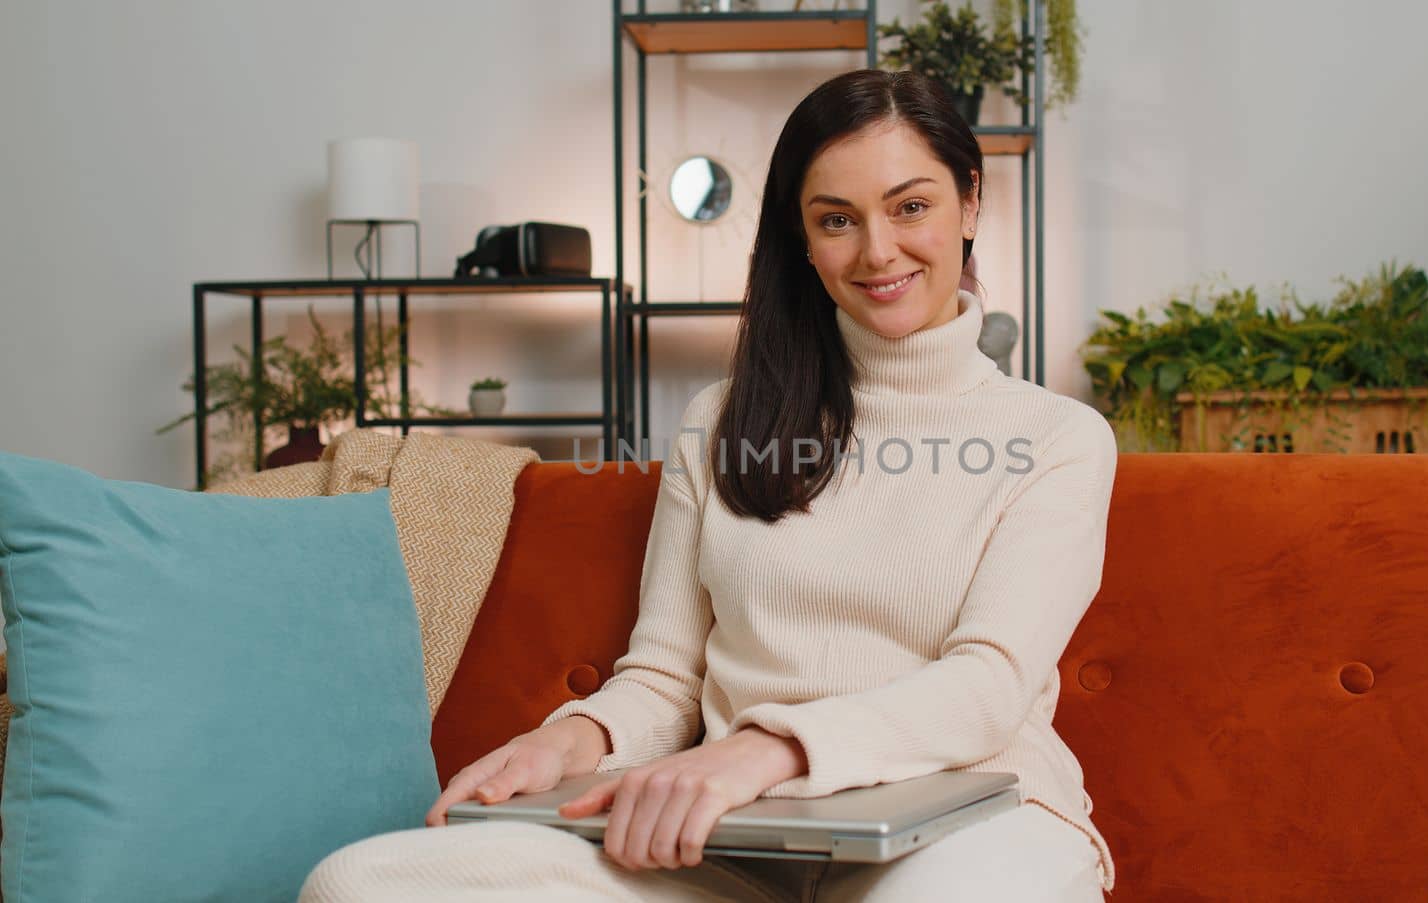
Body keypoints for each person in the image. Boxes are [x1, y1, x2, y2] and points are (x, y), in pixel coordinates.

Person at [300, 68, 1118, 903]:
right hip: (736, 835)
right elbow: (664, 678)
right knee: (357, 882)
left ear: (970, 203)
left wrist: (766, 748)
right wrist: (571, 741)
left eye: (912, 206)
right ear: (801, 238)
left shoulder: (1057, 439)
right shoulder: (723, 417)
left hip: (975, 823)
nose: (877, 251)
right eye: (837, 219)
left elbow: (987, 686)